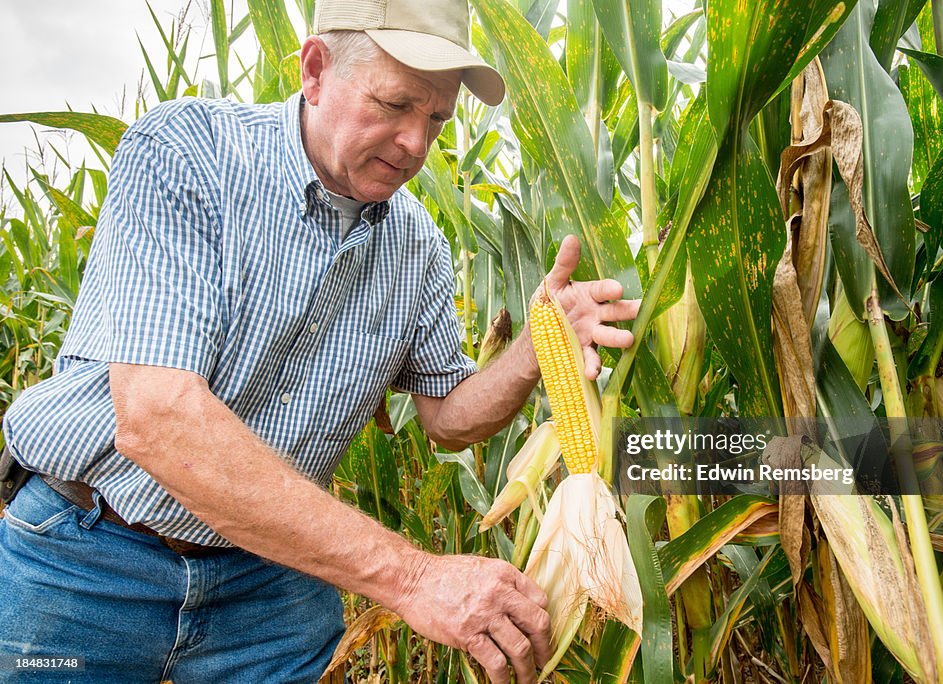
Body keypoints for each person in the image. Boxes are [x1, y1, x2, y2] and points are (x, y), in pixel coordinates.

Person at [0, 1, 639, 682]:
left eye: (437, 120)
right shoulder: (189, 153)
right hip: (85, 560)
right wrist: (414, 579)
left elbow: (449, 420)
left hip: (273, 581)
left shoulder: (416, 243)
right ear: (314, 69)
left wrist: (540, 347)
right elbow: (158, 420)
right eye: (394, 104)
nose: (416, 144)